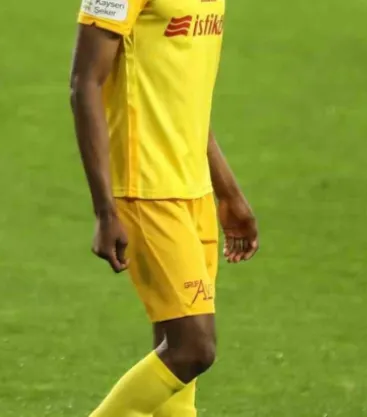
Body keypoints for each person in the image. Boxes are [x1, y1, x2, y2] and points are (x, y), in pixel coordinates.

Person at [69, 0, 259, 415]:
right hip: (146, 187)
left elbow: (185, 101)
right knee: (193, 348)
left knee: (178, 364)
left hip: (193, 188)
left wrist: (227, 191)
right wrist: (105, 210)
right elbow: (84, 83)